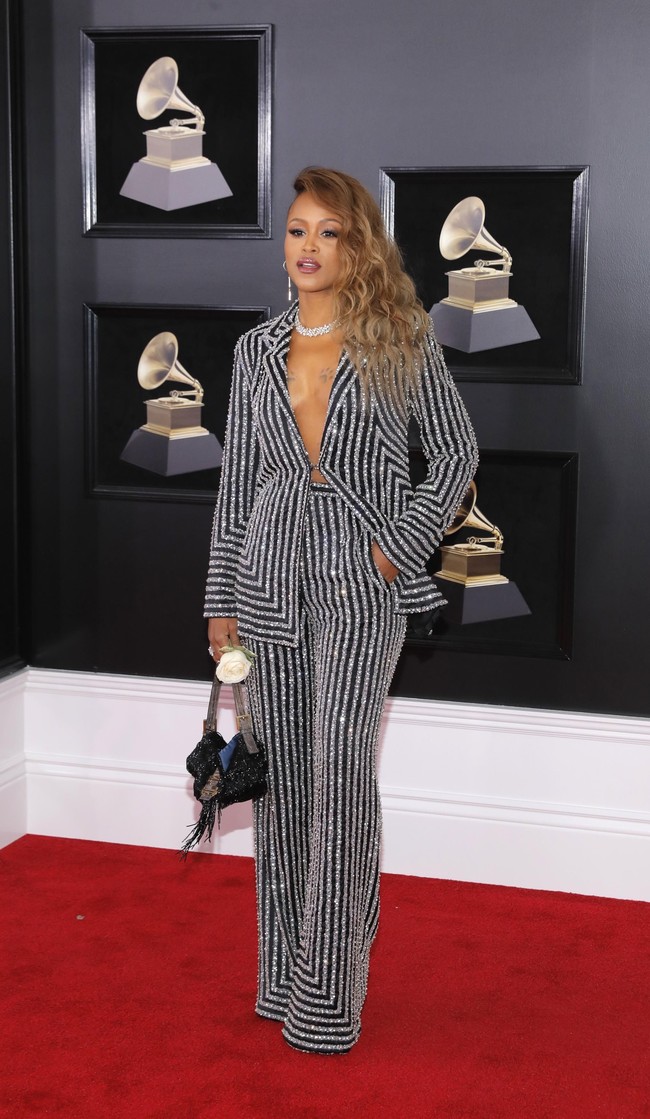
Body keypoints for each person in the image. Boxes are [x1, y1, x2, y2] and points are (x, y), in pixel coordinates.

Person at [205, 167, 478, 1054]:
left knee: (340, 775)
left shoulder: (402, 335)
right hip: (268, 576)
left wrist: (401, 541)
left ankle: (330, 994)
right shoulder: (255, 350)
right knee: (281, 780)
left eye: (329, 231)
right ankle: (284, 977)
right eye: (296, 230)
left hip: (363, 581)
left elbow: (456, 453)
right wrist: (222, 603)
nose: (309, 248)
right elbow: (237, 485)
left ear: (358, 244)